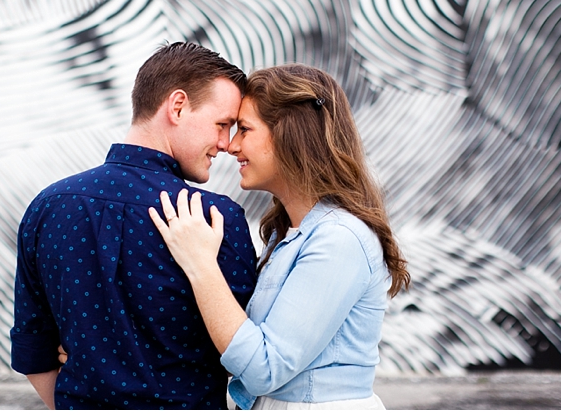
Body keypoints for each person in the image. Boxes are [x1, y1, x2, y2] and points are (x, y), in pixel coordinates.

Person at [10, 42, 258, 409]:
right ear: (177, 106)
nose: (225, 143)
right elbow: (246, 354)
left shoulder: (48, 207)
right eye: (221, 125)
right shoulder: (216, 218)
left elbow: (33, 349)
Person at [149, 63, 411, 409]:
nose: (230, 145)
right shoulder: (288, 234)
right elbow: (242, 337)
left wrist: (200, 264)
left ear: (290, 135)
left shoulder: (339, 239)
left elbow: (263, 368)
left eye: (244, 129)